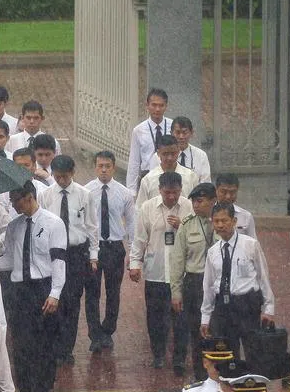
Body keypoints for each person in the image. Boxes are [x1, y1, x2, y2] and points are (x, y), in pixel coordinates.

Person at [4, 182, 66, 392]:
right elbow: (8, 260)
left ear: (29, 197)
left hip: (44, 287)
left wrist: (55, 293)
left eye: (15, 200)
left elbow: (58, 262)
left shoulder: (53, 223)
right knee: (21, 342)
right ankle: (26, 391)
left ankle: (43, 388)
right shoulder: (14, 227)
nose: (13, 204)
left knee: (45, 341)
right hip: (20, 290)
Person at [130, 171, 193, 371]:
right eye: (167, 193)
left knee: (181, 319)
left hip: (181, 274)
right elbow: (139, 238)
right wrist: (135, 264)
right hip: (155, 272)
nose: (172, 197)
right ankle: (158, 354)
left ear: (181, 190)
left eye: (175, 193)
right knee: (155, 317)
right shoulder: (148, 208)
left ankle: (179, 358)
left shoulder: (189, 207)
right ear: (160, 190)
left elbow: (195, 236)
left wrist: (181, 226)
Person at [39, 155, 98, 366]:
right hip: (54, 253)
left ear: (73, 173)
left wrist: (93, 255)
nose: (61, 181)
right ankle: (53, 346)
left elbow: (91, 226)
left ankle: (67, 349)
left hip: (76, 253)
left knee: (72, 302)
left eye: (64, 177)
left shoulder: (84, 195)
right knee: (55, 299)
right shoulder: (45, 195)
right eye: (57, 177)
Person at [200, 202, 276, 359]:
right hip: (223, 307)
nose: (220, 225)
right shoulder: (213, 252)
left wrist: (269, 308)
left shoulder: (250, 245)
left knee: (253, 351)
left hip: (247, 305)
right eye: (216, 221)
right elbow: (208, 286)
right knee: (227, 355)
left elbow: (263, 277)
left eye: (224, 220)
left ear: (234, 221)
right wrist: (205, 318)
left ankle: (254, 382)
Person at [84, 151, 135, 353]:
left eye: (107, 166)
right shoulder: (86, 192)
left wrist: (133, 252)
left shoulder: (124, 194)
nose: (103, 170)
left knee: (113, 292)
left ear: (114, 167)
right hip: (94, 247)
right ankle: (94, 334)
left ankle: (108, 330)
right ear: (95, 167)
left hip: (114, 246)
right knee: (92, 293)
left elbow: (131, 223)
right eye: (100, 166)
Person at [170, 183, 218, 378]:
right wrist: (176, 292)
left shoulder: (221, 222)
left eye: (200, 201)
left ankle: (220, 373)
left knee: (218, 330)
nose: (196, 206)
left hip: (216, 283)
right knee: (197, 331)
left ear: (213, 201)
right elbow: (177, 261)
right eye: (193, 202)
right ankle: (200, 374)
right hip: (195, 282)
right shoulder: (187, 224)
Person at [135, 135, 199, 208]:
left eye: (173, 153)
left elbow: (196, 205)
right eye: (165, 154)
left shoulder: (191, 177)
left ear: (178, 151)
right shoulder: (148, 180)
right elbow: (140, 209)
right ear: (158, 153)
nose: (169, 158)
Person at [126, 88, 171, 189]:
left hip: (169, 177)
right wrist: (131, 190)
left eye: (161, 105)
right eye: (154, 105)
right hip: (147, 177)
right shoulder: (139, 130)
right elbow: (134, 162)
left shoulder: (172, 127)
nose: (157, 109)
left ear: (166, 106)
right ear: (147, 105)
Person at [148, 116, 210, 183]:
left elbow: (205, 182)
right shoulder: (158, 156)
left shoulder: (201, 155)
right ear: (171, 133)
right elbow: (152, 181)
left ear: (192, 133)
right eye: (178, 132)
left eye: (184, 133)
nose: (181, 137)